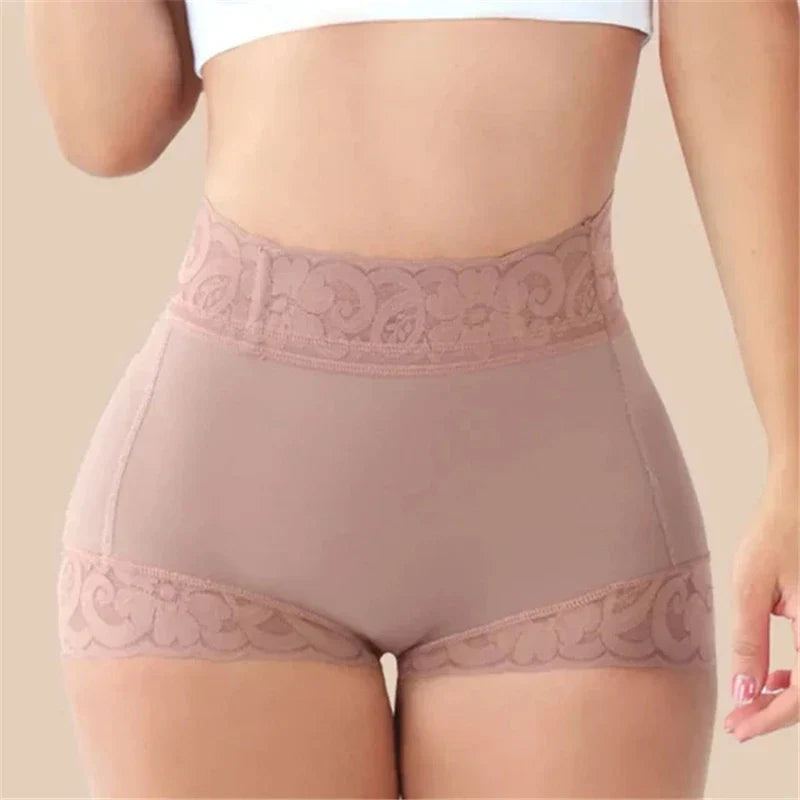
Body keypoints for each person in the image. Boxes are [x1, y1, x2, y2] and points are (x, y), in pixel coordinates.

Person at [26, 1, 798, 797]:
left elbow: (739, 43)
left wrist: (795, 460)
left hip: (561, 502)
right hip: (219, 499)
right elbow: (105, 129)